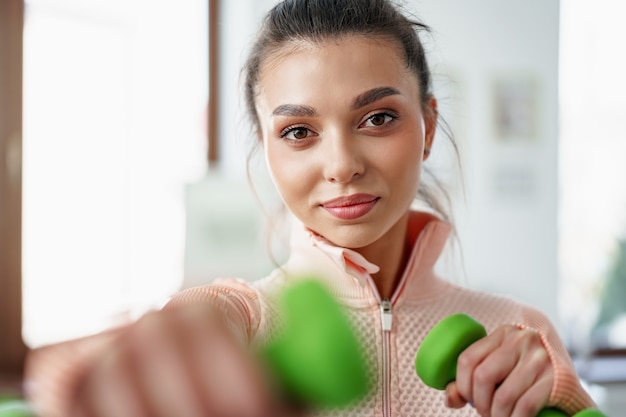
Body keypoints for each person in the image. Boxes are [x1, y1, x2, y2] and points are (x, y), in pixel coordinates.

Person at [24, 0, 597, 416]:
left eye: (377, 118)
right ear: (266, 150)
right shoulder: (239, 320)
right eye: (299, 130)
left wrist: (562, 399)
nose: (342, 163)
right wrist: (112, 372)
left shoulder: (518, 334)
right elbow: (77, 377)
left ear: (428, 128)